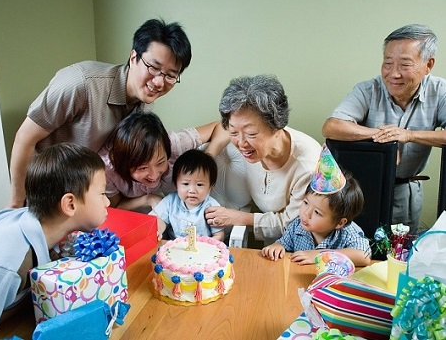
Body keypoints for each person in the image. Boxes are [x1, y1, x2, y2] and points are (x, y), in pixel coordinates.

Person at [9, 18, 192, 208]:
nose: (159, 82)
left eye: (170, 75)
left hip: (84, 199)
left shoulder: (143, 105)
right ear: (133, 57)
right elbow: (25, 137)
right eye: (154, 68)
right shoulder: (80, 83)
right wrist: (16, 203)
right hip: (46, 194)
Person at [322, 24, 446, 235]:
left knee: (400, 252)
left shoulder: (440, 91)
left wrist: (409, 135)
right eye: (388, 63)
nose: (393, 73)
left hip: (407, 190)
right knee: (361, 247)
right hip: (365, 188)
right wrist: (383, 139)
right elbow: (332, 127)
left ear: (428, 65)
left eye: (404, 65)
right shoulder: (368, 89)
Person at [0, 143, 110, 337]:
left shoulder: (42, 227)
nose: (107, 202)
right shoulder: (8, 267)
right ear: (70, 204)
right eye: (102, 194)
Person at [204, 74, 322, 243]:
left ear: (277, 126)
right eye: (234, 132)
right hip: (267, 247)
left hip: (299, 247)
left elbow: (293, 223)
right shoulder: (244, 138)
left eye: (251, 134)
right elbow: (221, 129)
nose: (241, 143)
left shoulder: (307, 165)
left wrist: (239, 218)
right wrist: (207, 161)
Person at [99, 112, 228, 211]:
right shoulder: (107, 168)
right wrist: (148, 199)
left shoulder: (174, 144)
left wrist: (205, 161)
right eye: (143, 168)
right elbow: (114, 206)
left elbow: (223, 127)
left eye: (160, 162)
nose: (154, 175)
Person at [261, 172, 370, 266]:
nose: (306, 213)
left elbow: (364, 256)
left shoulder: (348, 233)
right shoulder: (297, 225)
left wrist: (321, 255)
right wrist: (277, 247)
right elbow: (283, 243)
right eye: (306, 203)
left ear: (340, 222)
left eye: (317, 212)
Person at [150, 149, 225, 241]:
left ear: (210, 187)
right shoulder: (170, 201)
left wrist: (210, 245)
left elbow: (219, 235)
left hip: (203, 250)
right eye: (185, 184)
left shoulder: (212, 207)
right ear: (176, 185)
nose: (192, 190)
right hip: (175, 248)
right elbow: (159, 220)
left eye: (200, 184)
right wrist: (158, 231)